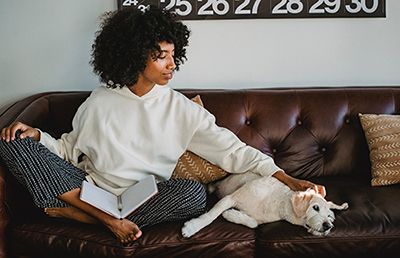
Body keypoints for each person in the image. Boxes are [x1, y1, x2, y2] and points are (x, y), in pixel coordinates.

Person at [0, 6, 325, 243]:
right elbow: (68, 151)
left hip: (142, 198)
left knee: (194, 195)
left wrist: (286, 177)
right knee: (10, 142)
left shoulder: (181, 110)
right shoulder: (101, 100)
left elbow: (233, 151)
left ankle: (90, 217)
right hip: (88, 189)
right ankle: (103, 217)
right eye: (160, 56)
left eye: (173, 54)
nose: (172, 64)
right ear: (133, 57)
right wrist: (37, 135)